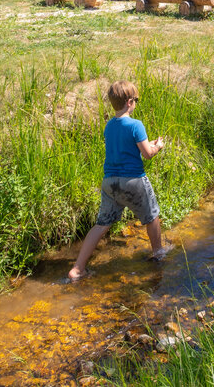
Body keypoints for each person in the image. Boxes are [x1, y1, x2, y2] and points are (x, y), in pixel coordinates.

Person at [68, 80, 171, 280]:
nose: (136, 104)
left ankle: (78, 268)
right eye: (136, 101)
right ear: (130, 102)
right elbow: (148, 154)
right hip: (133, 180)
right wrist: (158, 146)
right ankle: (158, 252)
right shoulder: (136, 125)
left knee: (101, 225)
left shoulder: (109, 126)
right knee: (152, 216)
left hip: (109, 183)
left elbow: (125, 150)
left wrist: (145, 145)